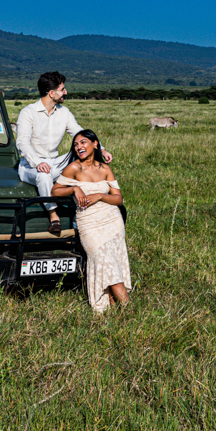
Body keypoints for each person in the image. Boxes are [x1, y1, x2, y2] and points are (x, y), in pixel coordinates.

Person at [15, 71, 109, 233]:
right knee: (43, 175)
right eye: (62, 89)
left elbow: (80, 134)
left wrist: (101, 148)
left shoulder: (64, 112)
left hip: (54, 162)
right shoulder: (28, 112)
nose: (65, 92)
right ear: (51, 93)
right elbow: (22, 142)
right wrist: (38, 162)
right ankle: (54, 216)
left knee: (80, 162)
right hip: (30, 166)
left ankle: (82, 214)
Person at [52, 129, 131, 312]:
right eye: (76, 144)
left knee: (113, 262)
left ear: (95, 144)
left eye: (83, 142)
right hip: (89, 223)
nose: (79, 147)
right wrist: (73, 189)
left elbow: (118, 199)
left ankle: (115, 311)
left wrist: (99, 196)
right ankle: (129, 311)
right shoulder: (74, 168)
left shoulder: (105, 169)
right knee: (103, 259)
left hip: (112, 221)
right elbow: (55, 191)